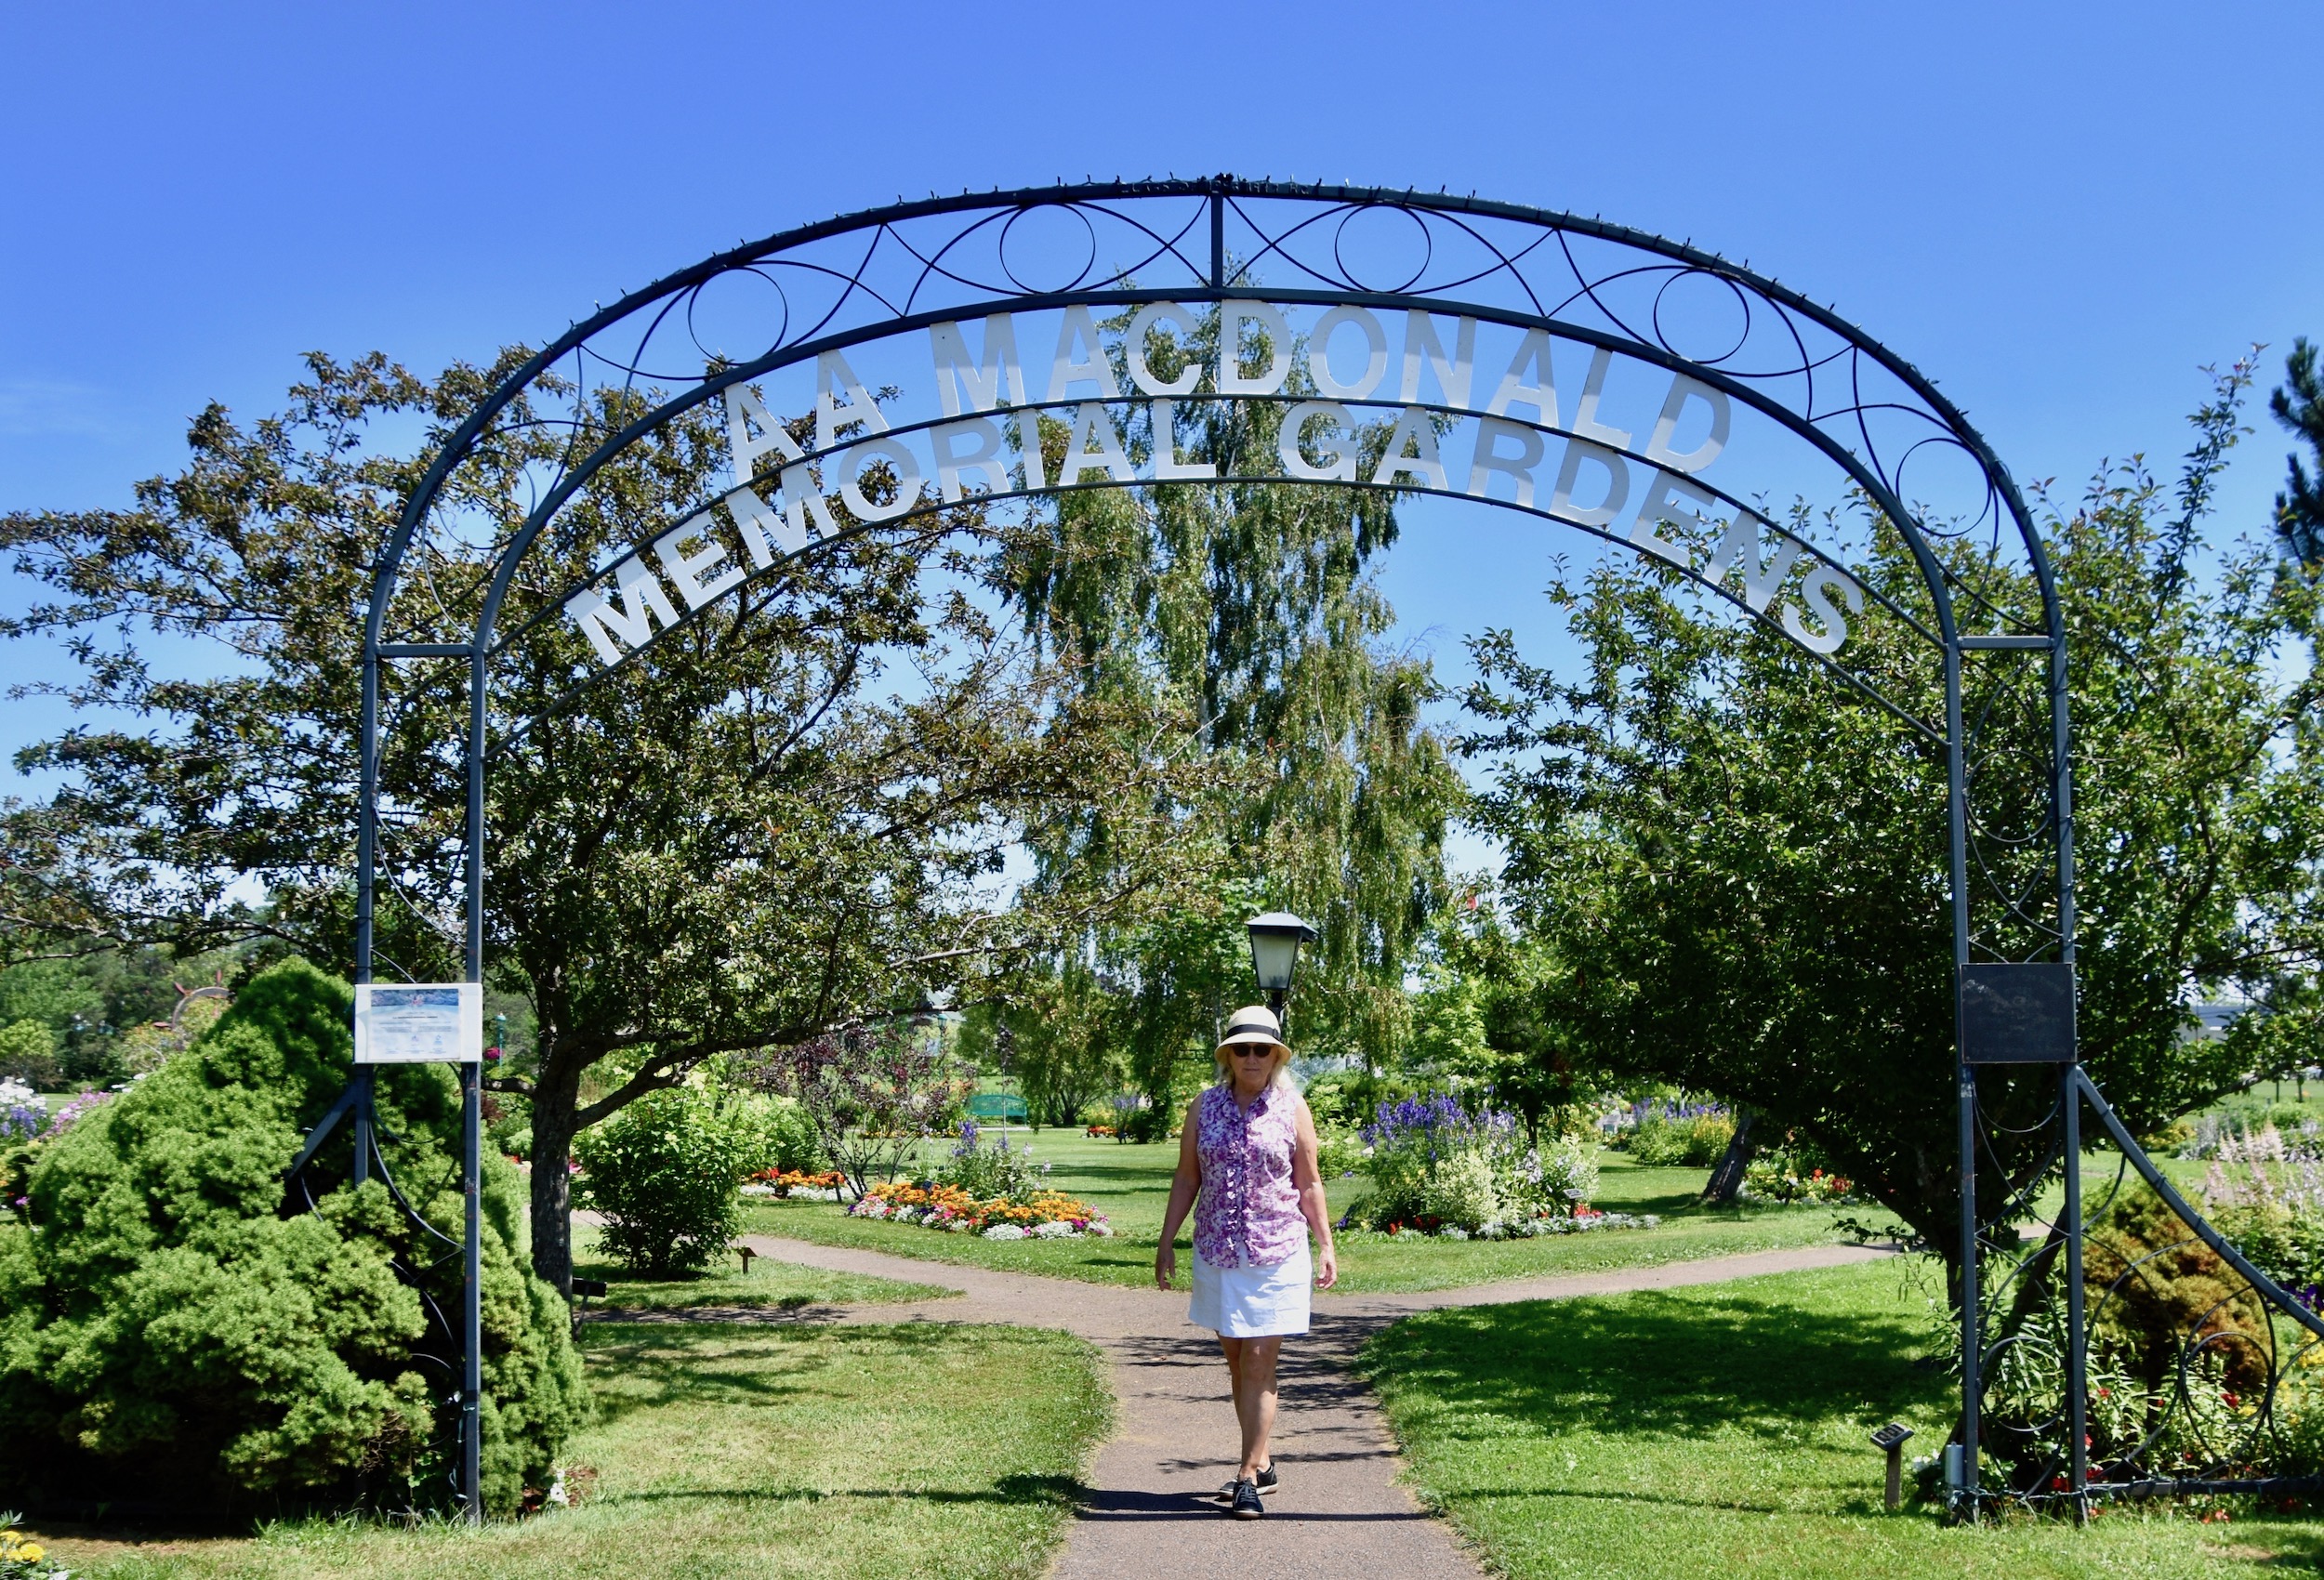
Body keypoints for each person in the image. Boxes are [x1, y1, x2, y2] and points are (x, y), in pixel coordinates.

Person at [1155, 1003, 1339, 1521]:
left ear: (1276, 1056)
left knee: (1259, 1360)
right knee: (1237, 1362)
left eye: (1262, 1049)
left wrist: (1326, 1243)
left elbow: (1309, 1181)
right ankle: (1264, 1458)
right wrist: (1166, 1241)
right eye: (1242, 1048)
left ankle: (1246, 1477)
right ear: (1228, 1056)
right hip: (1217, 1249)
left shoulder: (1291, 1107)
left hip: (1278, 1251)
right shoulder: (1203, 1107)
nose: (1251, 1057)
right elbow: (1188, 1177)